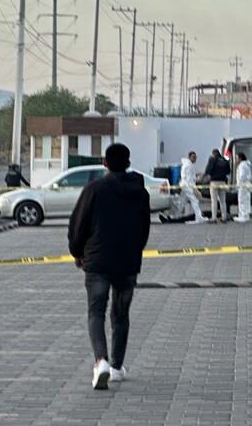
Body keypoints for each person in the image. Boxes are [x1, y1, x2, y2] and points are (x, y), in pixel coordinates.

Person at [68, 143, 151, 390]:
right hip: (127, 262)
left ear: (105, 163)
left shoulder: (94, 189)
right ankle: (116, 366)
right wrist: (135, 252)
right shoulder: (140, 193)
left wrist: (77, 252)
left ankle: (100, 361)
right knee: (121, 314)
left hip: (97, 261)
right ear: (128, 162)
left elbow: (78, 224)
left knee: (96, 312)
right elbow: (144, 229)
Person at [203, 149, 231, 223]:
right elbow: (228, 171)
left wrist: (206, 176)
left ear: (213, 153)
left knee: (214, 201)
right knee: (223, 201)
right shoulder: (225, 160)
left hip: (214, 182)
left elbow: (208, 170)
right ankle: (224, 217)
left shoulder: (212, 159)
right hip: (223, 182)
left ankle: (214, 218)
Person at [179, 151, 205, 224]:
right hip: (187, 186)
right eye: (193, 157)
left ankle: (175, 215)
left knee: (182, 201)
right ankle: (199, 217)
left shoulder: (188, 165)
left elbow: (189, 177)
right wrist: (193, 187)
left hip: (186, 185)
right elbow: (187, 178)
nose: (195, 159)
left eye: (195, 157)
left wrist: (196, 178)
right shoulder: (188, 165)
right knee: (194, 200)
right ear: (189, 157)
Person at [234, 152, 252, 223]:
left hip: (242, 185)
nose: (236, 159)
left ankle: (243, 216)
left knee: (242, 200)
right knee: (246, 200)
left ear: (240, 158)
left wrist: (239, 183)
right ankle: (245, 215)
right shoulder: (246, 164)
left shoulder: (242, 165)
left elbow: (242, 176)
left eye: (236, 158)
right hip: (246, 185)